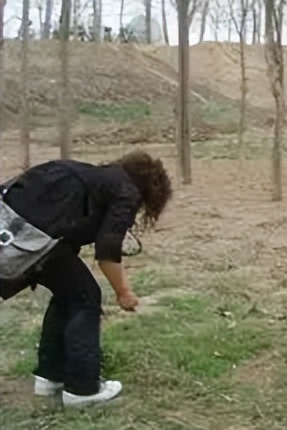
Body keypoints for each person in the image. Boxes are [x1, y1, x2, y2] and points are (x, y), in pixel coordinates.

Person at [0, 151, 173, 407]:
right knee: (86, 297)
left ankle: (50, 376)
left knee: (70, 293)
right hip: (32, 241)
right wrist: (123, 292)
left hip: (12, 234)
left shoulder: (82, 174)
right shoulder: (127, 191)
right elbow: (108, 250)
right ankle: (82, 389)